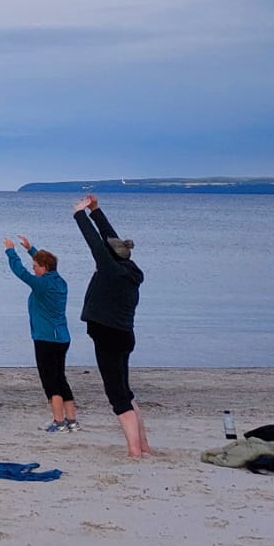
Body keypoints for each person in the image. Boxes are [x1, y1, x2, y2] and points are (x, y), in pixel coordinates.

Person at [73, 194, 150, 458]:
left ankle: (134, 451)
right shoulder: (129, 267)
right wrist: (96, 211)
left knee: (117, 396)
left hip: (109, 337)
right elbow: (110, 241)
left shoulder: (110, 269)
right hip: (124, 335)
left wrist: (79, 214)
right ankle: (144, 446)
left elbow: (95, 243)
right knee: (126, 393)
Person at [4, 235, 74, 432]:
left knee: (50, 380)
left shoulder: (42, 284)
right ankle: (72, 420)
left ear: (44, 268)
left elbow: (20, 272)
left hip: (46, 339)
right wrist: (30, 249)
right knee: (60, 377)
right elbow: (46, 264)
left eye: (36, 265)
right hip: (62, 338)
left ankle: (58, 421)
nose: (34, 268)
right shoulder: (60, 281)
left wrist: (10, 251)